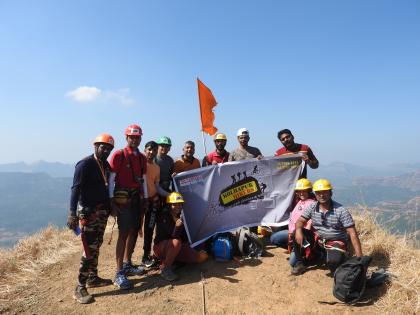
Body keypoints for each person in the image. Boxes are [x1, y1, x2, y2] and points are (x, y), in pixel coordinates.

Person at [67, 133, 115, 304]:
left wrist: (110, 207)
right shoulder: (85, 164)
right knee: (89, 250)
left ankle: (92, 278)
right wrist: (72, 213)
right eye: (104, 147)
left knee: (96, 245)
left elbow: (107, 187)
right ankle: (79, 286)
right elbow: (75, 189)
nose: (106, 150)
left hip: (101, 212)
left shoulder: (105, 164)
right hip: (88, 213)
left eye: (109, 148)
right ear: (95, 146)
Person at [292, 179, 363, 275]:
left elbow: (352, 233)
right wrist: (299, 231)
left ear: (330, 193)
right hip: (319, 241)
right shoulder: (312, 207)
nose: (321, 195)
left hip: (335, 242)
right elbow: (300, 221)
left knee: (333, 262)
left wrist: (360, 259)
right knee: (295, 233)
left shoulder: (341, 211)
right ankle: (300, 263)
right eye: (318, 193)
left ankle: (333, 259)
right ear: (315, 194)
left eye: (325, 192)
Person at [108, 124, 147, 290]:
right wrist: (111, 201)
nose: (135, 140)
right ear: (126, 138)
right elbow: (112, 179)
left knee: (133, 231)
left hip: (136, 199)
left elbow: (143, 178)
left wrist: (145, 198)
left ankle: (127, 264)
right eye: (132, 137)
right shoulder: (119, 155)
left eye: (137, 137)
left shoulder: (142, 157)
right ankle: (119, 273)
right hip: (123, 200)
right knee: (123, 233)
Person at [153, 192, 208, 281]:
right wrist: (177, 226)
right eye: (175, 204)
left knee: (201, 257)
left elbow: (185, 237)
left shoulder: (182, 216)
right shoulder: (164, 216)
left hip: (177, 247)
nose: (178, 206)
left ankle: (174, 261)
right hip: (161, 248)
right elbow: (173, 236)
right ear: (169, 205)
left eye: (180, 204)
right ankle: (165, 268)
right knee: (176, 242)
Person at [270, 179, 316, 267]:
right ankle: (295, 248)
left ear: (309, 191)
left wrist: (297, 235)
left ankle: (304, 252)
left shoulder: (312, 204)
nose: (301, 193)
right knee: (274, 238)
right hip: (292, 233)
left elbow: (309, 225)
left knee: (292, 263)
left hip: (302, 235)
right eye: (299, 191)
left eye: (304, 191)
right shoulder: (299, 201)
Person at [141, 141, 169, 267]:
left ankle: (147, 255)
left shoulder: (156, 167)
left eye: (154, 149)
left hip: (153, 202)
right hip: (140, 202)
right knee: (136, 230)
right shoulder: (140, 163)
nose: (151, 152)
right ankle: (130, 262)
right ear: (145, 149)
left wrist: (169, 195)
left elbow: (156, 186)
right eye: (149, 149)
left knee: (150, 228)